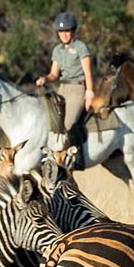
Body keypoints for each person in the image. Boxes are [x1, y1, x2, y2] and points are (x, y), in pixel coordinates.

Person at [35, 12, 95, 163]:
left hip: (77, 89)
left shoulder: (80, 47)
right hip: (62, 88)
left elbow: (88, 72)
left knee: (68, 124)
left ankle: (72, 158)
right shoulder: (57, 50)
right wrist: (45, 79)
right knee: (50, 120)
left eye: (68, 31)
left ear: (73, 31)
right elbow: (54, 74)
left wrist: (89, 93)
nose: (65, 35)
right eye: (61, 32)